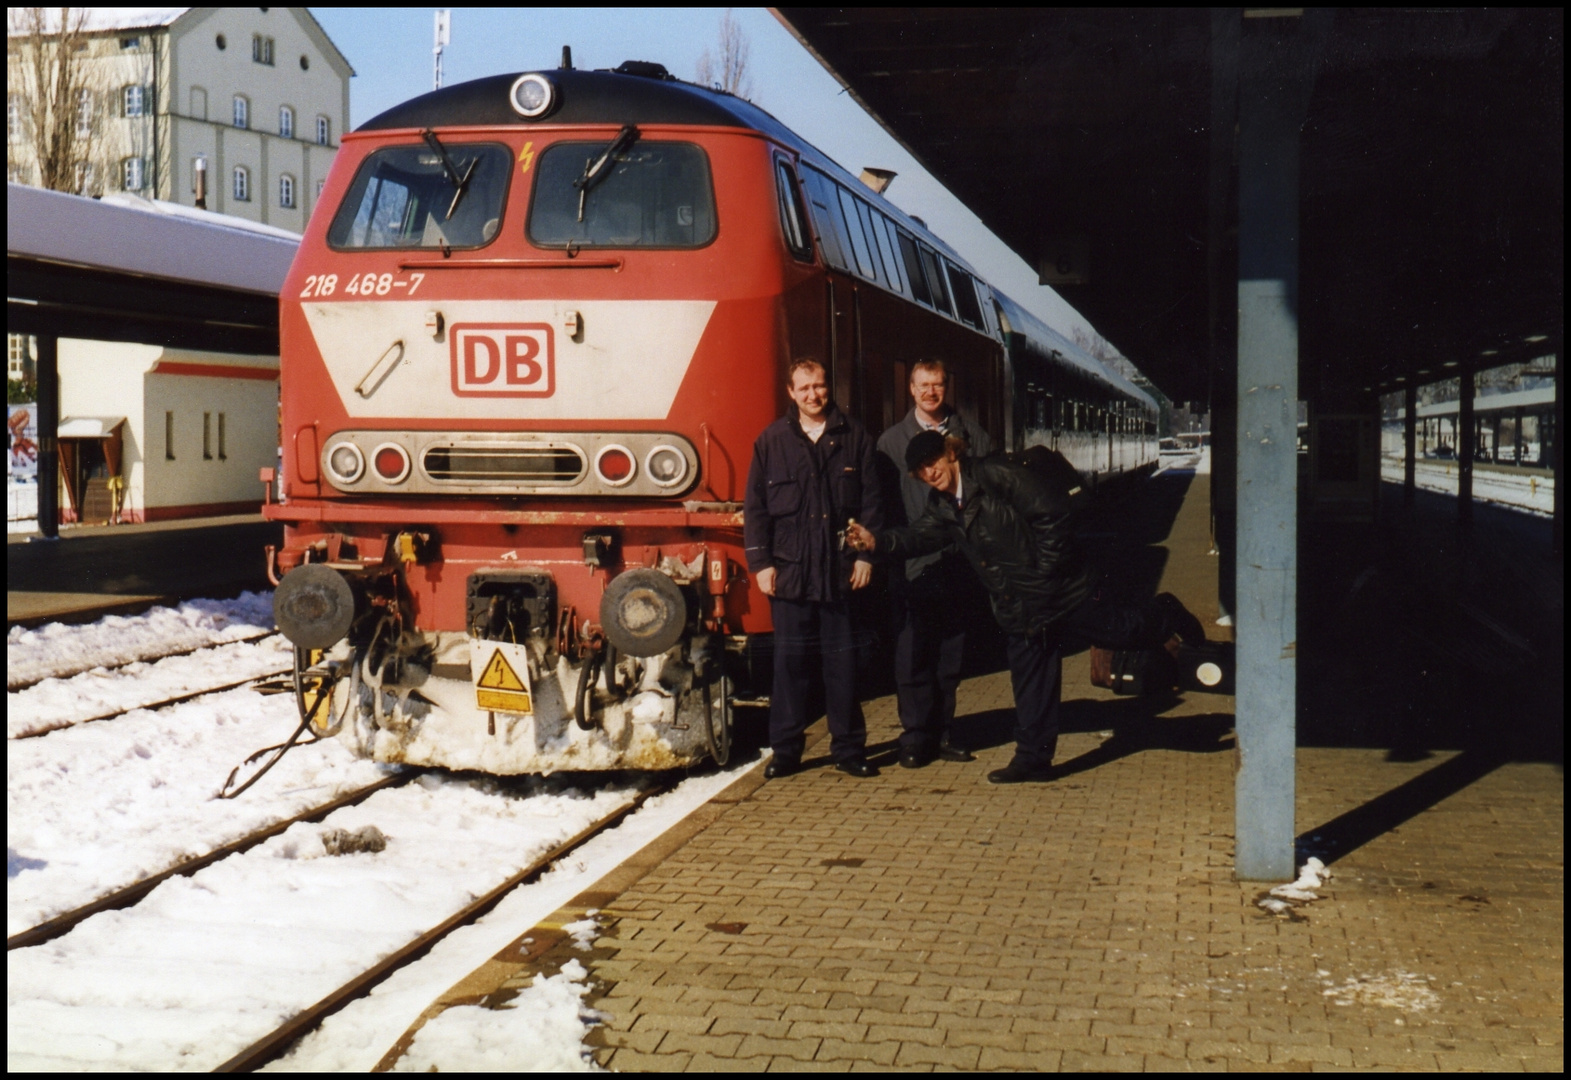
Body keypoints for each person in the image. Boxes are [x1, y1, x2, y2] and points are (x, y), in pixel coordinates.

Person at [846, 430, 1205, 783]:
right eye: (920, 470)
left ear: (950, 453)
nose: (929, 473)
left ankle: (1167, 612)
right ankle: (1032, 759)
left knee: (1126, 632)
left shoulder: (993, 474)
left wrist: (1046, 573)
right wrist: (877, 541)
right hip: (1019, 604)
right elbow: (920, 535)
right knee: (1030, 681)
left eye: (932, 462)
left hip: (1063, 591)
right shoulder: (943, 505)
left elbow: (1053, 514)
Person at [744, 358, 884, 779]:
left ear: (829, 387)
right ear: (791, 392)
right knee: (790, 667)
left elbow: (873, 504)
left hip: (840, 573)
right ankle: (786, 752)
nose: (813, 395)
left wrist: (865, 556)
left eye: (819, 386)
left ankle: (848, 749)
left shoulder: (854, 436)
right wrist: (761, 564)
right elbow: (756, 510)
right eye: (804, 388)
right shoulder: (770, 441)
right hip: (789, 575)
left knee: (843, 665)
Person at [875, 359, 993, 769]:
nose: (931, 392)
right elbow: (884, 508)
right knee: (911, 658)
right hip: (911, 568)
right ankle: (914, 736)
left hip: (959, 567)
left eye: (937, 384)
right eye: (923, 385)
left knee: (949, 659)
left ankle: (944, 733)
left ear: (947, 387)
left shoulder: (972, 436)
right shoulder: (890, 444)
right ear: (910, 389)